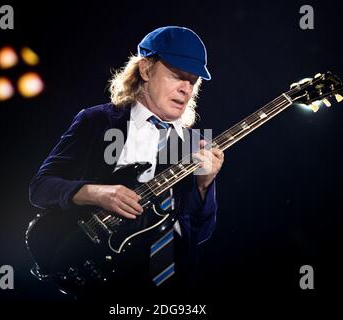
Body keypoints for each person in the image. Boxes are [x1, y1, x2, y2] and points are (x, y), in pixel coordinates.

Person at [29, 26, 224, 298]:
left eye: (193, 81)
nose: (186, 89)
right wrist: (97, 193)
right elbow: (40, 188)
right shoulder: (97, 121)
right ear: (145, 70)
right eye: (177, 76)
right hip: (101, 282)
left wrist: (204, 186)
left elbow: (198, 234)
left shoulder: (193, 144)